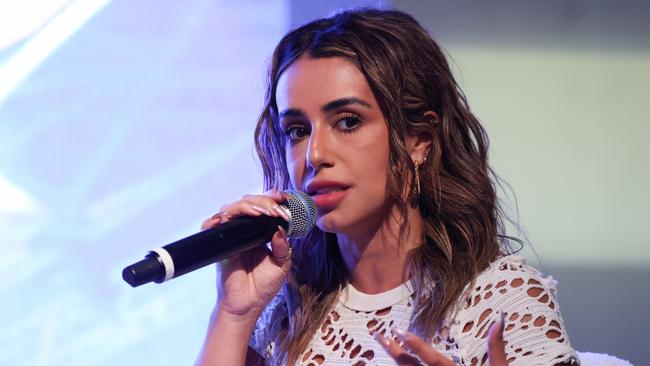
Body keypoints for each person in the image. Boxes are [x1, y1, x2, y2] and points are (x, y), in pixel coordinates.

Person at [197, 8, 579, 366]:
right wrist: (234, 313)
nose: (314, 154)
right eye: (297, 131)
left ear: (419, 140)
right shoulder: (285, 305)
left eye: (347, 122)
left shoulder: (502, 302)